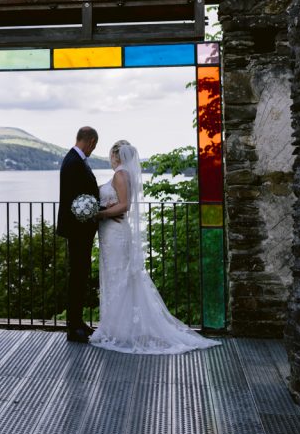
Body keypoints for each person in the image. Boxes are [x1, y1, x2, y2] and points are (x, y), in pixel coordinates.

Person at [89, 140, 220, 354]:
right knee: (118, 277)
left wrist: (100, 213)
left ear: (116, 155)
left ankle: (120, 330)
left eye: (111, 155)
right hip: (111, 233)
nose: (110, 159)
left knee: (119, 277)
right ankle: (119, 327)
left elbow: (124, 206)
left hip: (115, 233)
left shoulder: (120, 174)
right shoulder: (124, 174)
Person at [57, 126, 100, 343]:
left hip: (79, 228)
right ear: (91, 141)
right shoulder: (74, 162)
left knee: (80, 275)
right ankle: (74, 327)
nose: (93, 150)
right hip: (78, 229)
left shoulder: (74, 159)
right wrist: (93, 210)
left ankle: (77, 322)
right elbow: (76, 198)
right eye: (94, 145)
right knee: (78, 276)